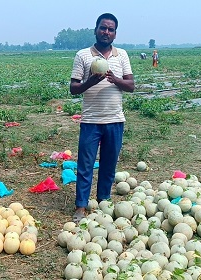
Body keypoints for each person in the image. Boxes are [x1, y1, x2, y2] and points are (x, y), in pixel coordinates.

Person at [70, 13, 135, 223]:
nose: (106, 32)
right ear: (96, 29)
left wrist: (114, 79)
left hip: (115, 119)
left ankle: (103, 201)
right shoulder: (83, 55)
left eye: (111, 29)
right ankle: (81, 205)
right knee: (85, 165)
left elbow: (131, 86)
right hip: (90, 120)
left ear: (115, 33)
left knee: (109, 164)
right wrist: (91, 81)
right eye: (103, 28)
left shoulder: (122, 55)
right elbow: (74, 89)